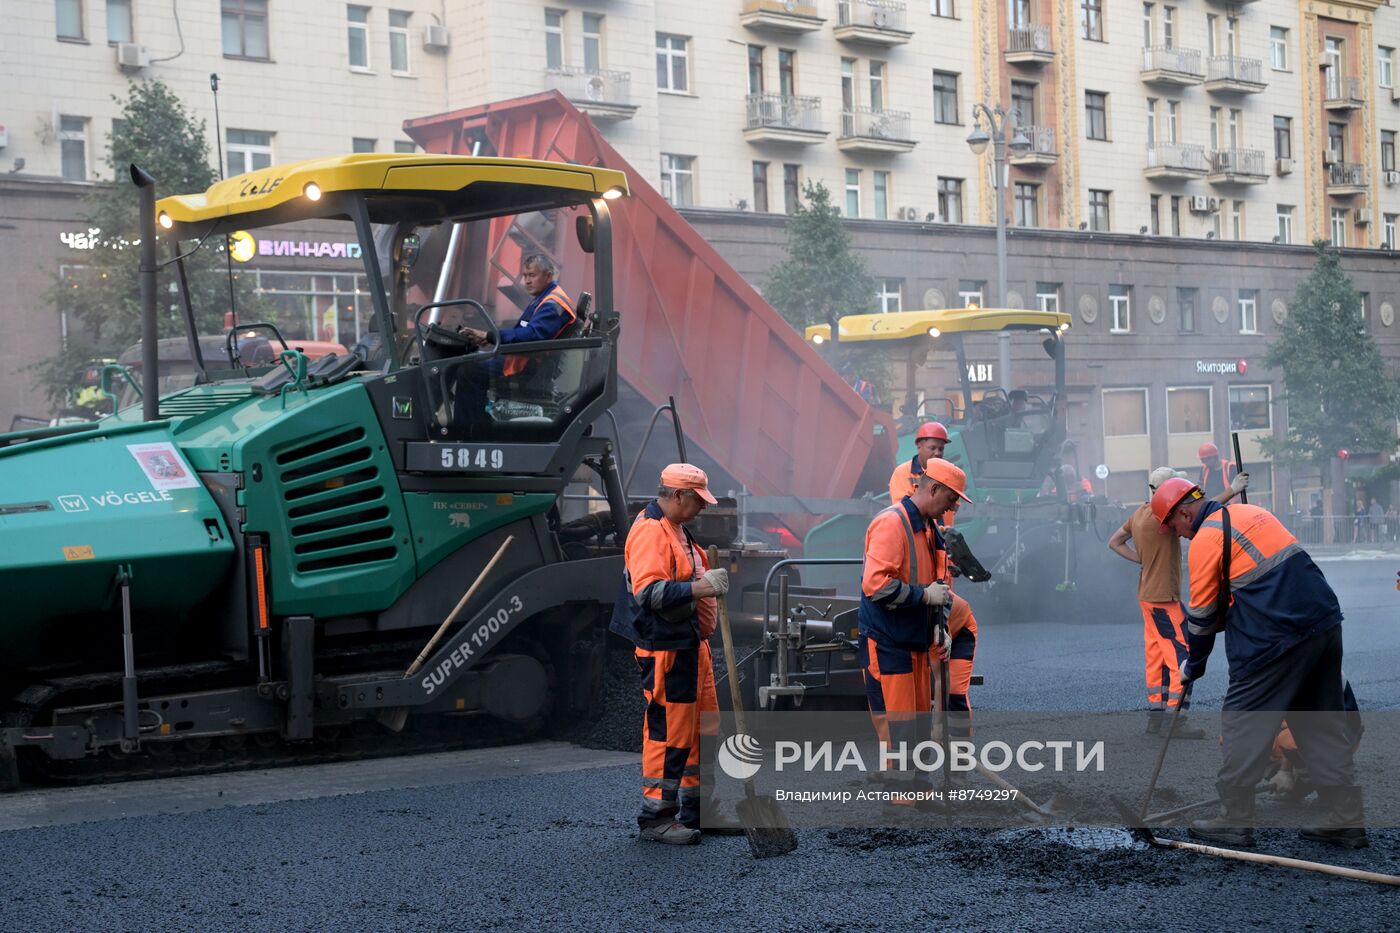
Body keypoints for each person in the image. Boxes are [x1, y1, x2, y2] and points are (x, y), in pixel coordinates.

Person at [1152, 477, 1366, 849]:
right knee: (1319, 722)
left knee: (1242, 720)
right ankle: (1346, 819)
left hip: (1275, 637)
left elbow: (1201, 618)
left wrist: (1193, 664)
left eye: (1174, 528)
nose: (1178, 535)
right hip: (1323, 624)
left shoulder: (1205, 540)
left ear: (1185, 514)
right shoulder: (1251, 512)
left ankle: (1233, 819)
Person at [609, 463, 728, 845]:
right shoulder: (650, 531)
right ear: (677, 495)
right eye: (698, 501)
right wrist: (701, 589)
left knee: (702, 729)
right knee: (669, 733)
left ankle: (697, 811)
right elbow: (649, 594)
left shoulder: (676, 528)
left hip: (691, 643)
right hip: (666, 648)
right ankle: (657, 818)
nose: (703, 508)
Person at [859, 458, 971, 803]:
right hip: (889, 641)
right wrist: (924, 596)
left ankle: (917, 789)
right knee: (901, 724)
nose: (954, 507)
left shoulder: (928, 529)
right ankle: (901, 800)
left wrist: (941, 627)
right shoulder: (892, 524)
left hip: (914, 640)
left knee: (918, 722)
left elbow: (939, 583)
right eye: (952, 499)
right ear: (933, 488)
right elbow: (876, 586)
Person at [1108, 466, 1248, 737]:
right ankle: (1176, 721)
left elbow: (1114, 542)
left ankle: (1156, 718)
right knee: (1182, 657)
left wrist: (1141, 559)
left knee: (1157, 658)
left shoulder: (1139, 515)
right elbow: (1199, 511)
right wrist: (1232, 490)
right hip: (1164, 598)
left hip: (1147, 597)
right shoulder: (1162, 519)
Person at [453, 253, 577, 427]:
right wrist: (490, 340)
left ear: (548, 276)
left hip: (528, 365)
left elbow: (532, 336)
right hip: (525, 359)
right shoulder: (544, 300)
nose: (526, 281)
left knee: (468, 370)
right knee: (471, 361)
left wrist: (490, 336)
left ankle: (469, 434)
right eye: (525, 276)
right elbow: (522, 332)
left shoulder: (552, 304)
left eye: (532, 275)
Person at [887, 421, 949, 504]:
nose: (938, 453)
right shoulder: (903, 473)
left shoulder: (947, 474)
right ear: (919, 446)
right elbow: (904, 510)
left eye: (941, 449)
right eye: (932, 448)